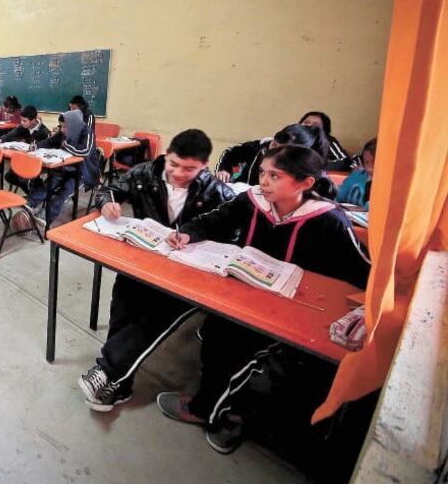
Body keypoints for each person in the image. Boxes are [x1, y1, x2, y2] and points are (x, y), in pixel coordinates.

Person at [158, 146, 371, 454]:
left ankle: (216, 411)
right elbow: (215, 220)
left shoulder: (329, 220)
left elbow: (361, 271)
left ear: (305, 184)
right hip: (243, 297)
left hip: (295, 311)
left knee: (252, 356)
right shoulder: (252, 201)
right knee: (218, 336)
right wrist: (188, 234)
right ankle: (226, 411)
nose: (264, 182)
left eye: (275, 175)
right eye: (261, 173)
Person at [77, 130, 236, 411]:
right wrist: (107, 204)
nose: (178, 173)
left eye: (190, 169)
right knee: (122, 309)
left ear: (204, 165)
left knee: (152, 321)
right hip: (143, 261)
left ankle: (108, 372)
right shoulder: (144, 174)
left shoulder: (216, 191)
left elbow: (229, 229)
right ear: (167, 156)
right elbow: (108, 190)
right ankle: (120, 385)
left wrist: (194, 240)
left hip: (184, 275)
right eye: (174, 164)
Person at [25, 109, 101, 224]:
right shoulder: (64, 131)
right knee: (50, 183)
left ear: (73, 124)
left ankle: (46, 215)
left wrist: (66, 145)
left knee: (66, 190)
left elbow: (85, 151)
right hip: (65, 167)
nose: (62, 130)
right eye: (61, 127)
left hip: (84, 171)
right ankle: (30, 204)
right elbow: (50, 141)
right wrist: (36, 146)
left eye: (65, 127)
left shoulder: (87, 132)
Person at [214, 124, 330, 186]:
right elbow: (230, 153)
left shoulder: (307, 173)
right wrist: (224, 170)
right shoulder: (262, 146)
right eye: (274, 144)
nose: (272, 150)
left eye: (280, 149)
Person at [0, 105, 50, 189]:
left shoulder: (44, 132)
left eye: (24, 121)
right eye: (21, 120)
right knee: (9, 176)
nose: (22, 123)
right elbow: (11, 134)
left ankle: (35, 192)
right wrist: (1, 139)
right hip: (24, 159)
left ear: (33, 120)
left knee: (26, 180)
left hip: (37, 163)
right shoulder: (23, 127)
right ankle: (33, 191)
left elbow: (45, 152)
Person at [336, 138, 376, 211]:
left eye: (374, 163)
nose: (369, 168)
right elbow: (339, 196)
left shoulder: (392, 183)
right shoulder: (357, 176)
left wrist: (364, 208)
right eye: (366, 162)